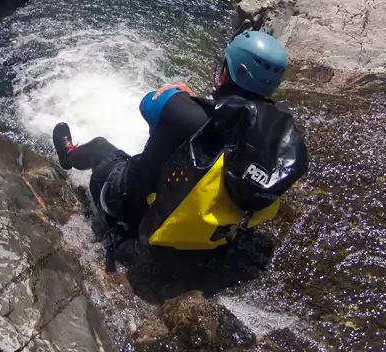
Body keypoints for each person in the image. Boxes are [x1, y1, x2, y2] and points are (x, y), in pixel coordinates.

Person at [52, 30, 308, 257]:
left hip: (137, 213)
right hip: (209, 233)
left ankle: (68, 155)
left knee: (100, 148)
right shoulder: (281, 139)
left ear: (226, 74)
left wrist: (186, 98)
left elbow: (148, 103)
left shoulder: (181, 110)